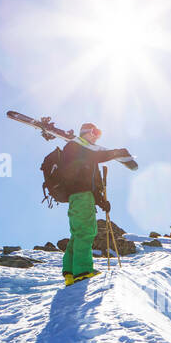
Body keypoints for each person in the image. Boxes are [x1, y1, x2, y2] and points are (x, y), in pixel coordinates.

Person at [53, 122, 127, 285]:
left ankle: (70, 273)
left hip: (80, 197)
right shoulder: (76, 146)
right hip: (81, 197)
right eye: (94, 132)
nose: (96, 136)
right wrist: (115, 153)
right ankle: (83, 271)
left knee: (78, 234)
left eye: (99, 133)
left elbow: (90, 184)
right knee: (86, 232)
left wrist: (101, 202)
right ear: (85, 132)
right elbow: (94, 159)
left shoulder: (84, 152)